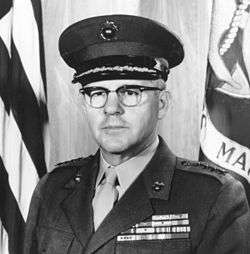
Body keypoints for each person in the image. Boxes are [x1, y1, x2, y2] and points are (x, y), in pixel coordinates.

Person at [24, 14, 250, 254]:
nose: (111, 108)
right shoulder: (52, 189)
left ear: (162, 103)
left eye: (131, 92)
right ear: (84, 103)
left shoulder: (213, 197)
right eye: (98, 93)